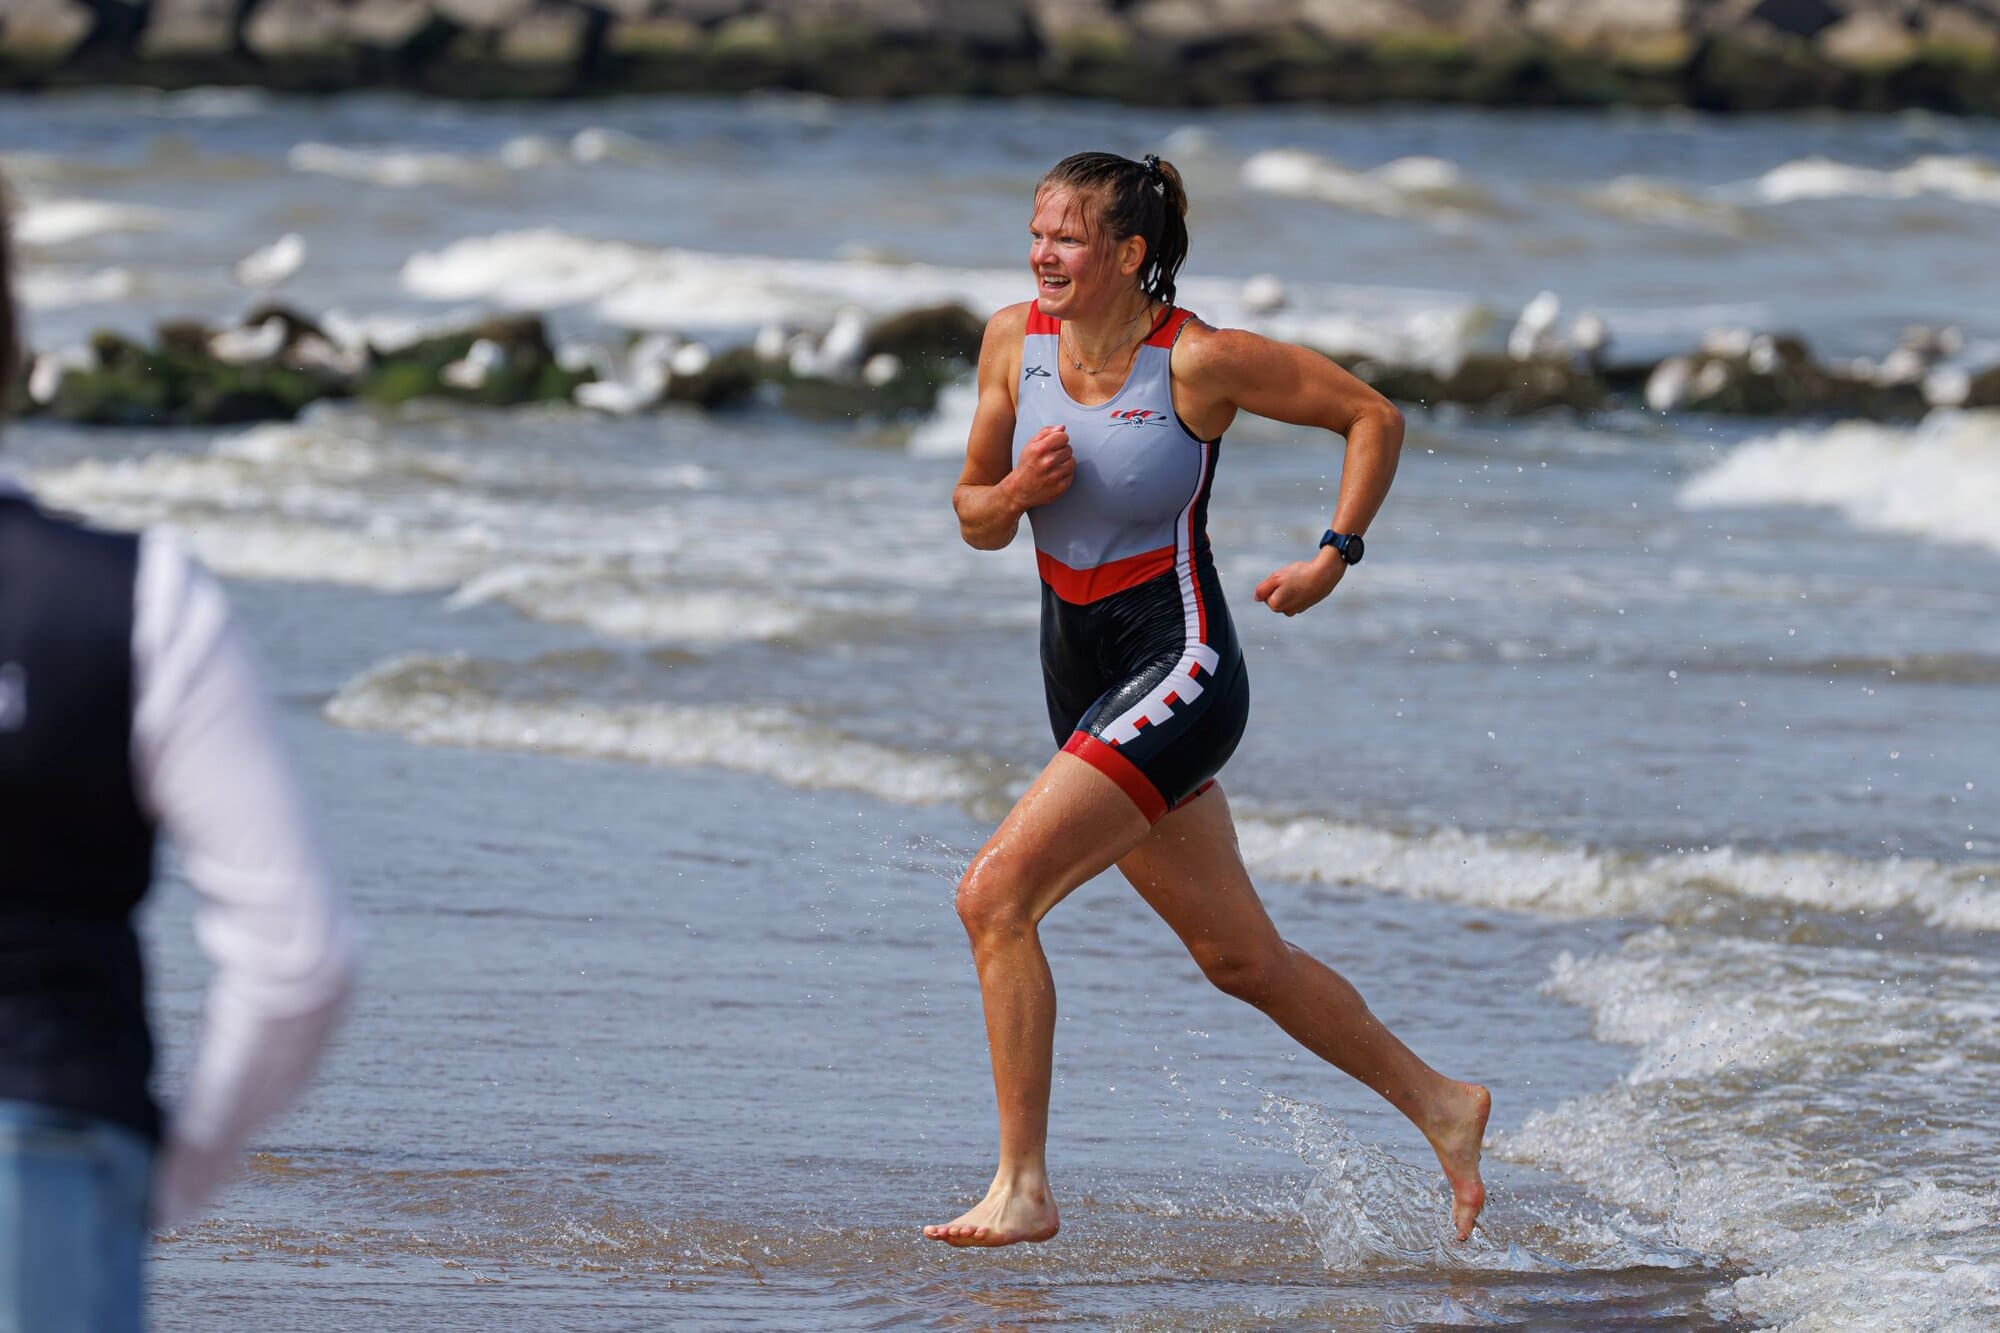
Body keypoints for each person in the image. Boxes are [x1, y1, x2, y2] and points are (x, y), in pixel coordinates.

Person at [925, 151, 1489, 1249]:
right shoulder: (1010, 342)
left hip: (1180, 666)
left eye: (1067, 237)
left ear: (1128, 252)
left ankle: (1021, 1186)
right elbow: (973, 518)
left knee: (993, 897)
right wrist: (1016, 492)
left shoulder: (1197, 361)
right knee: (1239, 960)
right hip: (1079, 676)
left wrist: (1332, 555)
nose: (1042, 254)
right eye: (1036, 232)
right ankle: (1442, 1103)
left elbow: (1370, 414)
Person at [1, 177, 356, 1329]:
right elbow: (297, 962)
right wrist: (160, 1174)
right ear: (14, 345)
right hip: (43, 1148)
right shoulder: (130, 596)